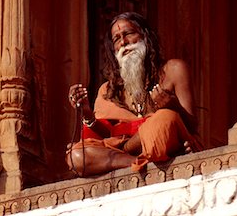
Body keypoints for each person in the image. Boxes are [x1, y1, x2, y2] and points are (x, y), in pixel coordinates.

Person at [67, 12, 203, 177]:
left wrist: (172, 106)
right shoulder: (107, 90)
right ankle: (134, 161)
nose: (123, 42)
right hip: (124, 150)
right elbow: (106, 136)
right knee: (76, 156)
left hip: (156, 140)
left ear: (145, 36)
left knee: (165, 119)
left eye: (129, 33)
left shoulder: (174, 70)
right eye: (117, 39)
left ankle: (128, 157)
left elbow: (192, 126)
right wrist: (87, 114)